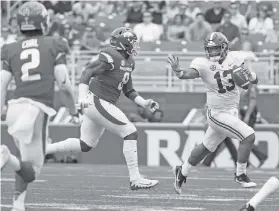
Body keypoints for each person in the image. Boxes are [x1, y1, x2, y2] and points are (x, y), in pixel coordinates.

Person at [45, 27, 160, 190]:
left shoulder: (129, 62)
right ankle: (135, 178)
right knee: (130, 132)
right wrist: (82, 98)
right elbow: (87, 72)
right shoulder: (111, 55)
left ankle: (43, 149)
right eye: (133, 42)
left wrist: (144, 103)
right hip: (96, 101)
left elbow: (128, 90)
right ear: (123, 43)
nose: (136, 46)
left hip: (101, 103)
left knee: (85, 144)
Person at [0, 2, 79, 211]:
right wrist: (73, 111)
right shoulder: (56, 43)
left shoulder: (9, 48)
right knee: (32, 170)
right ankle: (6, 156)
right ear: (44, 22)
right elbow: (63, 83)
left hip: (15, 108)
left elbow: (2, 83)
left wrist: (1, 109)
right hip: (36, 110)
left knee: (25, 161)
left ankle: (18, 204)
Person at [167, 32, 259, 194]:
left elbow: (252, 81)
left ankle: (182, 171)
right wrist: (178, 72)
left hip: (231, 111)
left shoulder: (236, 58)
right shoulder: (202, 63)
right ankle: (241, 175)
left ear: (225, 47)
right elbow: (188, 74)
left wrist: (249, 76)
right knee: (248, 135)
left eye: (216, 48)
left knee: (206, 147)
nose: (212, 52)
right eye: (210, 49)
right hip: (216, 113)